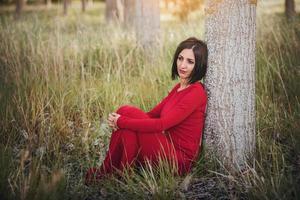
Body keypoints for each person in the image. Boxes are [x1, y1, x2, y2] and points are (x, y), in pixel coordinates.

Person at [85, 37, 208, 185]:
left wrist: (121, 120)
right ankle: (120, 173)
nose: (182, 65)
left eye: (190, 61)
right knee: (126, 127)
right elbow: (151, 115)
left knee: (126, 113)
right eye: (180, 58)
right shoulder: (178, 88)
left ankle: (110, 172)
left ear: (199, 66)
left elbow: (162, 124)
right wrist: (123, 122)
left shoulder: (196, 92)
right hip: (165, 146)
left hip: (179, 160)